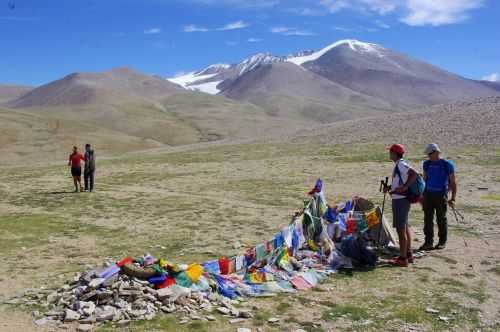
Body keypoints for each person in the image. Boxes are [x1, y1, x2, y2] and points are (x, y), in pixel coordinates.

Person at [384, 144, 417, 267]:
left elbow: (414, 174)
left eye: (391, 152)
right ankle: (408, 254)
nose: (389, 154)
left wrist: (404, 187)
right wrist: (390, 188)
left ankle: (403, 258)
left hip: (400, 200)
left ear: (394, 153)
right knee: (405, 227)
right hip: (402, 198)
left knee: (400, 228)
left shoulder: (401, 164)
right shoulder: (400, 164)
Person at [419, 143, 457, 250]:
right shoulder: (426, 164)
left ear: (437, 152)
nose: (429, 156)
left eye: (430, 153)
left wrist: (453, 198)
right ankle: (428, 242)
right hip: (428, 194)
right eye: (428, 154)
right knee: (428, 219)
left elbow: (453, 182)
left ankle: (442, 242)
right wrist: (421, 195)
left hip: (441, 195)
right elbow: (424, 180)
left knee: (441, 219)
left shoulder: (447, 164)